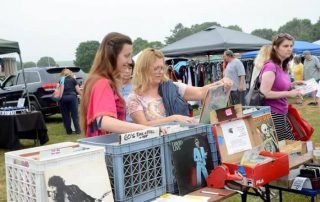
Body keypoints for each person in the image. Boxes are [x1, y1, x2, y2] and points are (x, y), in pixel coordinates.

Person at [127, 48, 232, 126]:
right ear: (143, 69)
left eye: (161, 68)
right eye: (155, 68)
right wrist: (174, 118)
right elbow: (143, 126)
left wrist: (221, 82)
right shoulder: (134, 98)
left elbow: (200, 92)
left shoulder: (173, 87)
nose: (160, 71)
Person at [80, 32, 149, 137]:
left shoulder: (94, 80)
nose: (130, 61)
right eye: (126, 56)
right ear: (112, 56)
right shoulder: (102, 83)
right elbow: (103, 121)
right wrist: (147, 130)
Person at [259, 33, 302, 141]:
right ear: (275, 47)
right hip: (273, 113)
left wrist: (293, 85)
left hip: (282, 111)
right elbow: (265, 93)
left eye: (291, 46)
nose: (289, 49)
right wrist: (289, 93)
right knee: (288, 146)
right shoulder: (270, 66)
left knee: (290, 145)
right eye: (285, 46)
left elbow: (278, 85)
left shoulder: (282, 66)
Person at [59, 68, 82, 135]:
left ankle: (69, 132)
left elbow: (59, 90)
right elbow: (78, 90)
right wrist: (83, 96)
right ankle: (78, 131)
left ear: (63, 74)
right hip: (72, 97)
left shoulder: (61, 80)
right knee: (75, 115)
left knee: (65, 115)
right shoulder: (73, 80)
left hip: (63, 98)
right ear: (70, 73)